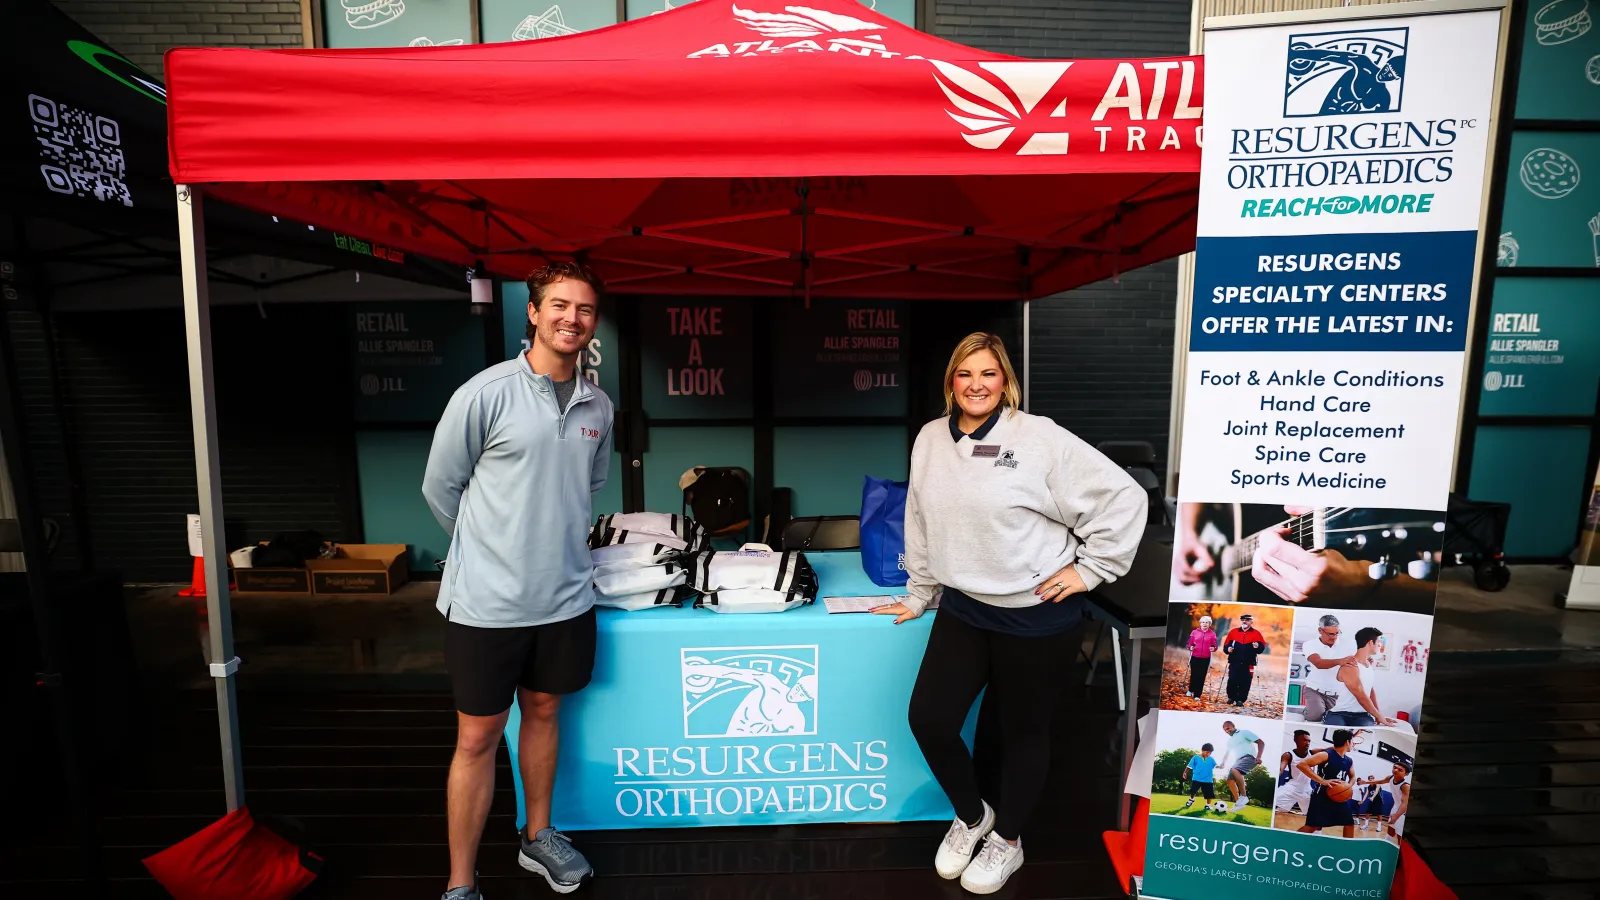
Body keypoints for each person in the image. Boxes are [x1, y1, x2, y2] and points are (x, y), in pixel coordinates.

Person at [872, 333, 1145, 894]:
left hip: (1035, 615)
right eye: (965, 374)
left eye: (988, 374)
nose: (976, 385)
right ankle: (975, 817)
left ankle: (1008, 843)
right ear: (951, 381)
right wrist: (920, 591)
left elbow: (1124, 497)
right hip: (965, 607)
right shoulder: (930, 439)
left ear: (1005, 381)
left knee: (1025, 735)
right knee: (930, 719)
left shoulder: (1038, 437)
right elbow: (919, 520)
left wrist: (1090, 571)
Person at [422, 262, 614, 900]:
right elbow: (440, 488)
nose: (572, 319)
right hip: (486, 604)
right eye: (559, 305)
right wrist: (488, 550)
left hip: (565, 598)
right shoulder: (484, 393)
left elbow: (584, 492)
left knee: (544, 710)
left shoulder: (598, 405)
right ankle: (460, 883)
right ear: (532, 313)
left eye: (584, 310)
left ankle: (538, 837)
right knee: (476, 736)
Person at [1325, 627, 1400, 728]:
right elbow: (1361, 695)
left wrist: (1378, 716)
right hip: (1339, 713)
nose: (1380, 645)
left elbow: (1370, 691)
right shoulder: (1350, 666)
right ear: (1370, 643)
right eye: (1378, 642)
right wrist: (1380, 717)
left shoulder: (1368, 665)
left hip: (1362, 715)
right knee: (1338, 732)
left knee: (1365, 732)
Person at [1297, 729, 1358, 838]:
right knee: (1313, 826)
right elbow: (1302, 764)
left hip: (1339, 797)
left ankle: (1348, 849)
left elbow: (1353, 776)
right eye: (1352, 741)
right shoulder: (1326, 755)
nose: (1354, 744)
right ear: (1347, 742)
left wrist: (1348, 785)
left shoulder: (1349, 760)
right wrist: (1323, 781)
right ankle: (1290, 841)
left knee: (1349, 823)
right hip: (1321, 796)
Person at [1300, 614, 1357, 722]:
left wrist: (1364, 662)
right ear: (1320, 631)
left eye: (1337, 633)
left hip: (1338, 693)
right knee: (1315, 717)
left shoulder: (1348, 644)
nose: (1334, 637)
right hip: (1315, 690)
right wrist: (1341, 661)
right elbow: (1318, 663)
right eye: (1330, 634)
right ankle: (1308, 711)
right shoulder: (1309, 644)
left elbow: (1355, 661)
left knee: (1333, 719)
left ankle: (1321, 710)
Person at [1216, 720, 1264, 812]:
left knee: (1235, 769)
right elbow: (1227, 753)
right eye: (1225, 730)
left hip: (1249, 757)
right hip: (1238, 760)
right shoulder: (1230, 740)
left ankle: (1244, 796)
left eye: (1228, 728)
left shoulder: (1244, 733)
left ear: (1233, 726)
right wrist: (1223, 763)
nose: (1227, 731)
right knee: (1229, 781)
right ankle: (1239, 803)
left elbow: (1261, 742)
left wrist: (1259, 756)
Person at [1222, 613, 1266, 706]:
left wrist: (1258, 646)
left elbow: (1261, 647)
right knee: (1232, 679)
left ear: (1251, 622)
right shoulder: (1233, 632)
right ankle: (1231, 697)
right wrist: (1228, 649)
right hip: (1234, 661)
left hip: (1248, 662)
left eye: (1247, 620)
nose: (1244, 621)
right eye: (1243, 619)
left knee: (1245, 681)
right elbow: (1226, 645)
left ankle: (1240, 700)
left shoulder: (1256, 634)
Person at [1274, 730, 1314, 815]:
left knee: (1314, 815)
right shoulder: (1288, 755)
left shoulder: (1313, 753)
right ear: (1296, 740)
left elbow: (1330, 748)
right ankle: (1283, 808)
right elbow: (1281, 769)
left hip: (1307, 790)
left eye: (1309, 741)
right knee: (1273, 801)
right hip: (1292, 788)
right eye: (1304, 740)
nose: (1307, 743)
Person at [1186, 615, 1219, 698]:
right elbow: (1188, 644)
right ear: (1200, 623)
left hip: (1205, 658)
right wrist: (1190, 647)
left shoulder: (1212, 634)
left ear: (1209, 624)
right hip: (1195, 657)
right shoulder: (1194, 632)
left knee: (1201, 676)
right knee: (1194, 674)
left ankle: (1197, 695)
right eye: (1203, 622)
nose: (1205, 624)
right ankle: (1190, 690)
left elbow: (1215, 646)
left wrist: (1213, 648)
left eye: (1207, 622)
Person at [1377, 761, 1412, 838]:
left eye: (1400, 770)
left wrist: (1396, 816)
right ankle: (1386, 844)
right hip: (1395, 807)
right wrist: (1365, 782)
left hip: (1403, 810)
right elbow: (1380, 781)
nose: (1395, 770)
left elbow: (1404, 804)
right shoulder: (1390, 777)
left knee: (1400, 835)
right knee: (1390, 829)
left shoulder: (1405, 786)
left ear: (1406, 774)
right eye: (1394, 767)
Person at [1181, 743, 1218, 810]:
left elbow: (1215, 766)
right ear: (1202, 750)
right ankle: (1191, 799)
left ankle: (1208, 805)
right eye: (1207, 752)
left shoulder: (1211, 759)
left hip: (1208, 779)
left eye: (1210, 753)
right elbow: (1189, 766)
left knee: (1209, 794)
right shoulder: (1196, 757)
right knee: (1193, 791)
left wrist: (1220, 766)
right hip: (1197, 778)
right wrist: (1185, 772)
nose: (1208, 754)